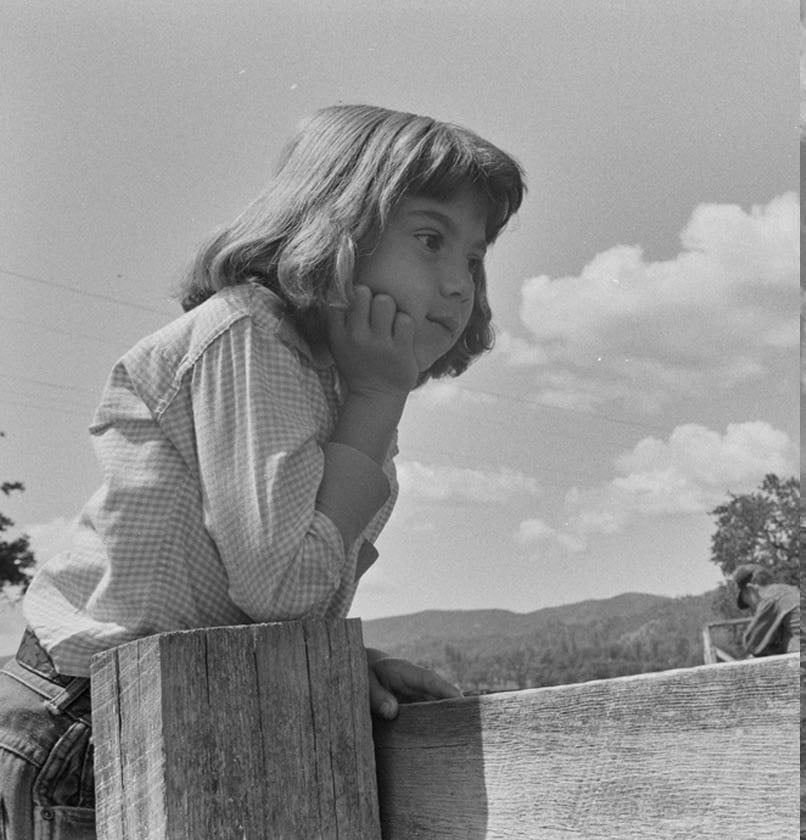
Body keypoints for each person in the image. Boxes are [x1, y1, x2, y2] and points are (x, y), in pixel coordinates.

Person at [0, 104, 525, 838]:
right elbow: (284, 588)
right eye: (431, 239)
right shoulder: (251, 340)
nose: (461, 285)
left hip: (179, 700)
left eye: (473, 256)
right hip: (93, 721)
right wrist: (377, 401)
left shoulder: (338, 381)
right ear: (336, 225)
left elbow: (285, 592)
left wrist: (334, 663)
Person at [732, 564, 800, 656]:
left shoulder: (770, 598)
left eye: (748, 603)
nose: (752, 609)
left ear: (750, 589)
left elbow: (751, 644)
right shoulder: (791, 590)